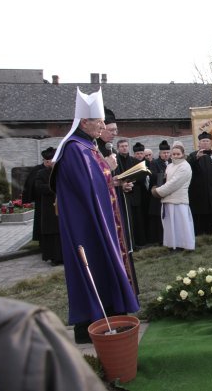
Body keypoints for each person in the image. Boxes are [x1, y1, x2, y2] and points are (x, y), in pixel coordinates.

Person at [50, 87, 139, 344]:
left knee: (104, 267)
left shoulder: (88, 146)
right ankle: (94, 324)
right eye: (99, 122)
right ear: (85, 121)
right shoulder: (75, 149)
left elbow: (98, 184)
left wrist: (114, 179)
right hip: (86, 226)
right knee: (94, 269)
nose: (102, 127)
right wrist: (109, 172)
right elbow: (87, 186)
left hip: (97, 220)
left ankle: (113, 314)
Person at [152, 141, 195, 251]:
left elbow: (173, 184)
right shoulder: (170, 166)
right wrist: (159, 185)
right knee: (170, 226)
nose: (175, 156)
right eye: (174, 154)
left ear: (183, 154)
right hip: (167, 200)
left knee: (181, 225)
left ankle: (184, 245)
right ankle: (172, 245)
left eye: (178, 154)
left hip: (179, 200)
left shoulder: (185, 166)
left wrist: (157, 191)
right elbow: (166, 181)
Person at [32, 147, 62, 265]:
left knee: (61, 232)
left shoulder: (60, 171)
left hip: (61, 206)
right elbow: (39, 188)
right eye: (47, 161)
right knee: (51, 233)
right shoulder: (41, 173)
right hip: (48, 208)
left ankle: (63, 257)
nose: (49, 163)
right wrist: (55, 188)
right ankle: (54, 258)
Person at [147, 140, 171, 245]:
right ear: (160, 153)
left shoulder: (172, 162)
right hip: (158, 194)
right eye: (163, 153)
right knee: (159, 217)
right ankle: (160, 240)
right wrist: (164, 175)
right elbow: (152, 176)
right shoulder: (154, 163)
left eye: (167, 153)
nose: (166, 155)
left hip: (171, 193)